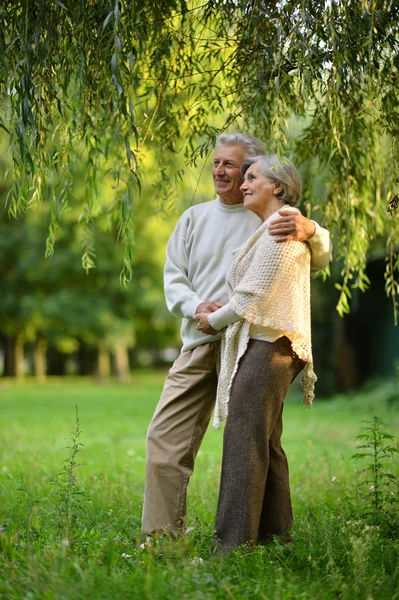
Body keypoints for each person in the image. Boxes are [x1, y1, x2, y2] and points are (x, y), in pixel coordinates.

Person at [142, 133, 331, 539]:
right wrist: (196, 307)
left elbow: (315, 255)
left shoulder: (269, 214)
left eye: (233, 165)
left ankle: (268, 538)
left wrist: (312, 228)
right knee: (164, 440)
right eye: (217, 163)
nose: (222, 171)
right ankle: (160, 538)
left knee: (259, 440)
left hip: (251, 344)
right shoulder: (194, 218)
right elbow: (173, 278)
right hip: (202, 340)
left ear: (253, 172)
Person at [195, 154, 316, 554]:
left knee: (244, 442)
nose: (242, 185)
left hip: (271, 348)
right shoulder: (270, 228)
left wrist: (212, 322)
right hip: (270, 345)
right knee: (266, 442)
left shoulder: (284, 227)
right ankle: (274, 539)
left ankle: (230, 549)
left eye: (252, 178)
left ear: (276, 187)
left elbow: (251, 296)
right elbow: (247, 292)